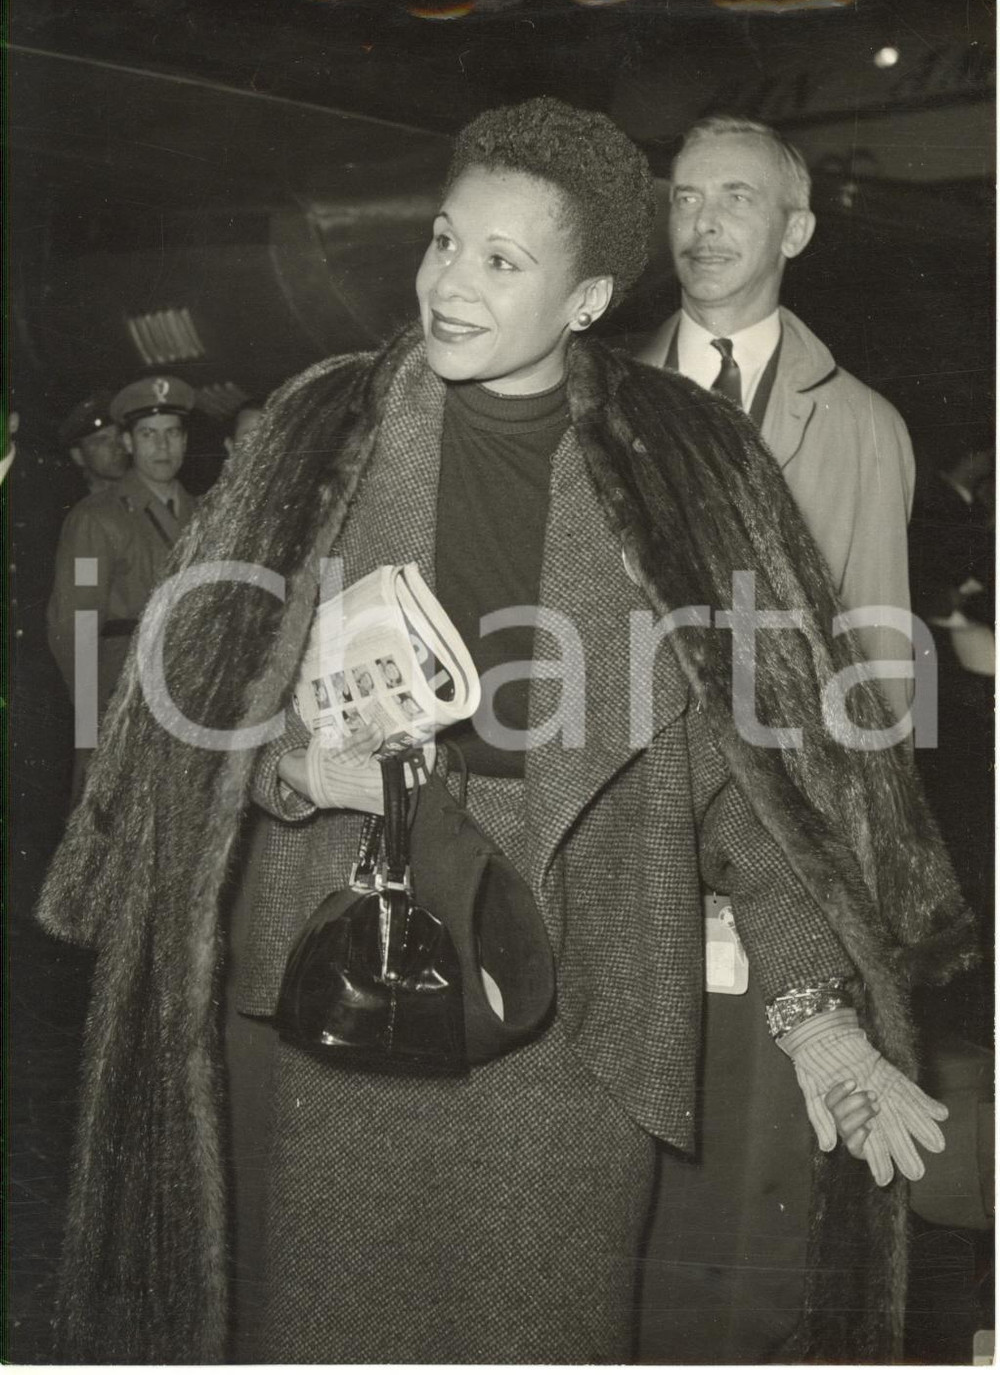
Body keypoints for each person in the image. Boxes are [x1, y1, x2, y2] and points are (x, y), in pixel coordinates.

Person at [37, 98, 974, 1366]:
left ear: (587, 298)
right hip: (349, 959)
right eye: (441, 240)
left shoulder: (684, 465)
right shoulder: (322, 428)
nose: (448, 284)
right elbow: (186, 699)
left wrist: (819, 1014)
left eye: (500, 261)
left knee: (540, 1325)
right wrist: (298, 769)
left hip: (585, 993)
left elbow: (751, 779)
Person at [636, 116, 915, 730]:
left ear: (795, 231)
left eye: (737, 198)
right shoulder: (597, 392)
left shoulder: (865, 426)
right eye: (687, 198)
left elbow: (880, 652)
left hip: (784, 785)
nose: (703, 223)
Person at [46, 375, 198, 781]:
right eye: (149, 435)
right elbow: (72, 627)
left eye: (172, 434)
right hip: (122, 700)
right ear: (128, 443)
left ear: (185, 441)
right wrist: (98, 721)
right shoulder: (96, 518)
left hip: (195, 703)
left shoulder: (208, 513)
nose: (162, 447)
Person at [57, 392, 130, 496]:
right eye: (102, 440)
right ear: (78, 456)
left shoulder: (146, 491)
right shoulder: (73, 507)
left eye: (119, 436)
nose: (118, 447)